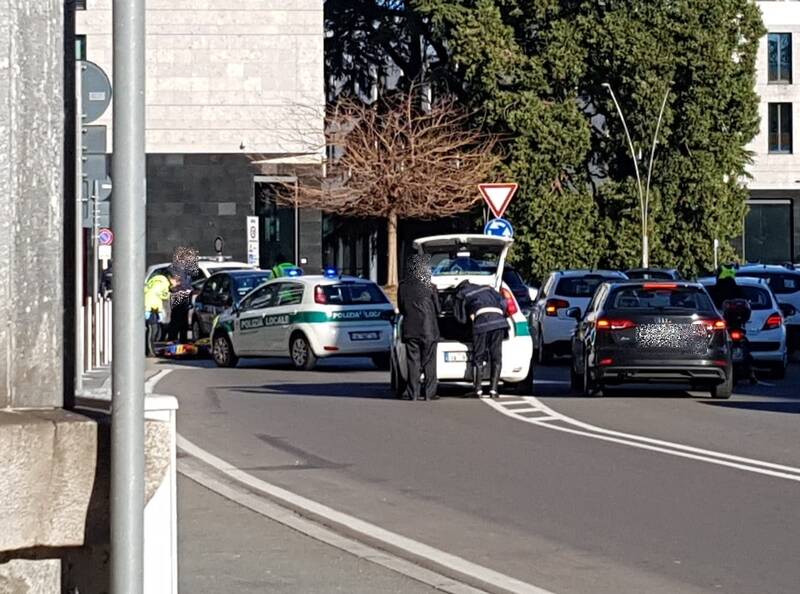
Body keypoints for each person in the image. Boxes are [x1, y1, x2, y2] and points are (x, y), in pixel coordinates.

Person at [454, 281, 509, 398]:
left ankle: (477, 390)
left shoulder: (462, 293)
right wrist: (500, 314)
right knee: (496, 357)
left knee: (479, 357)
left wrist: (469, 320)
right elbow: (504, 302)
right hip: (499, 322)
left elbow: (460, 318)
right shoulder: (488, 288)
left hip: (481, 324)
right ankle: (494, 390)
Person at [398, 254, 440, 401]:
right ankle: (430, 394)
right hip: (429, 330)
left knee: (413, 362)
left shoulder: (403, 286)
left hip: (410, 329)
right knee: (429, 362)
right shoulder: (431, 286)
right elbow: (438, 309)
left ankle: (413, 393)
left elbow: (401, 307)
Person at [144, 271, 177, 356]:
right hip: (150, 308)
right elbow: (154, 294)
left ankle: (150, 350)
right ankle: (149, 351)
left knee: (152, 330)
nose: (177, 283)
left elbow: (155, 294)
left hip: (152, 307)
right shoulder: (163, 283)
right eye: (176, 281)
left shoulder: (156, 280)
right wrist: (148, 309)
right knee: (152, 330)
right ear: (171, 278)